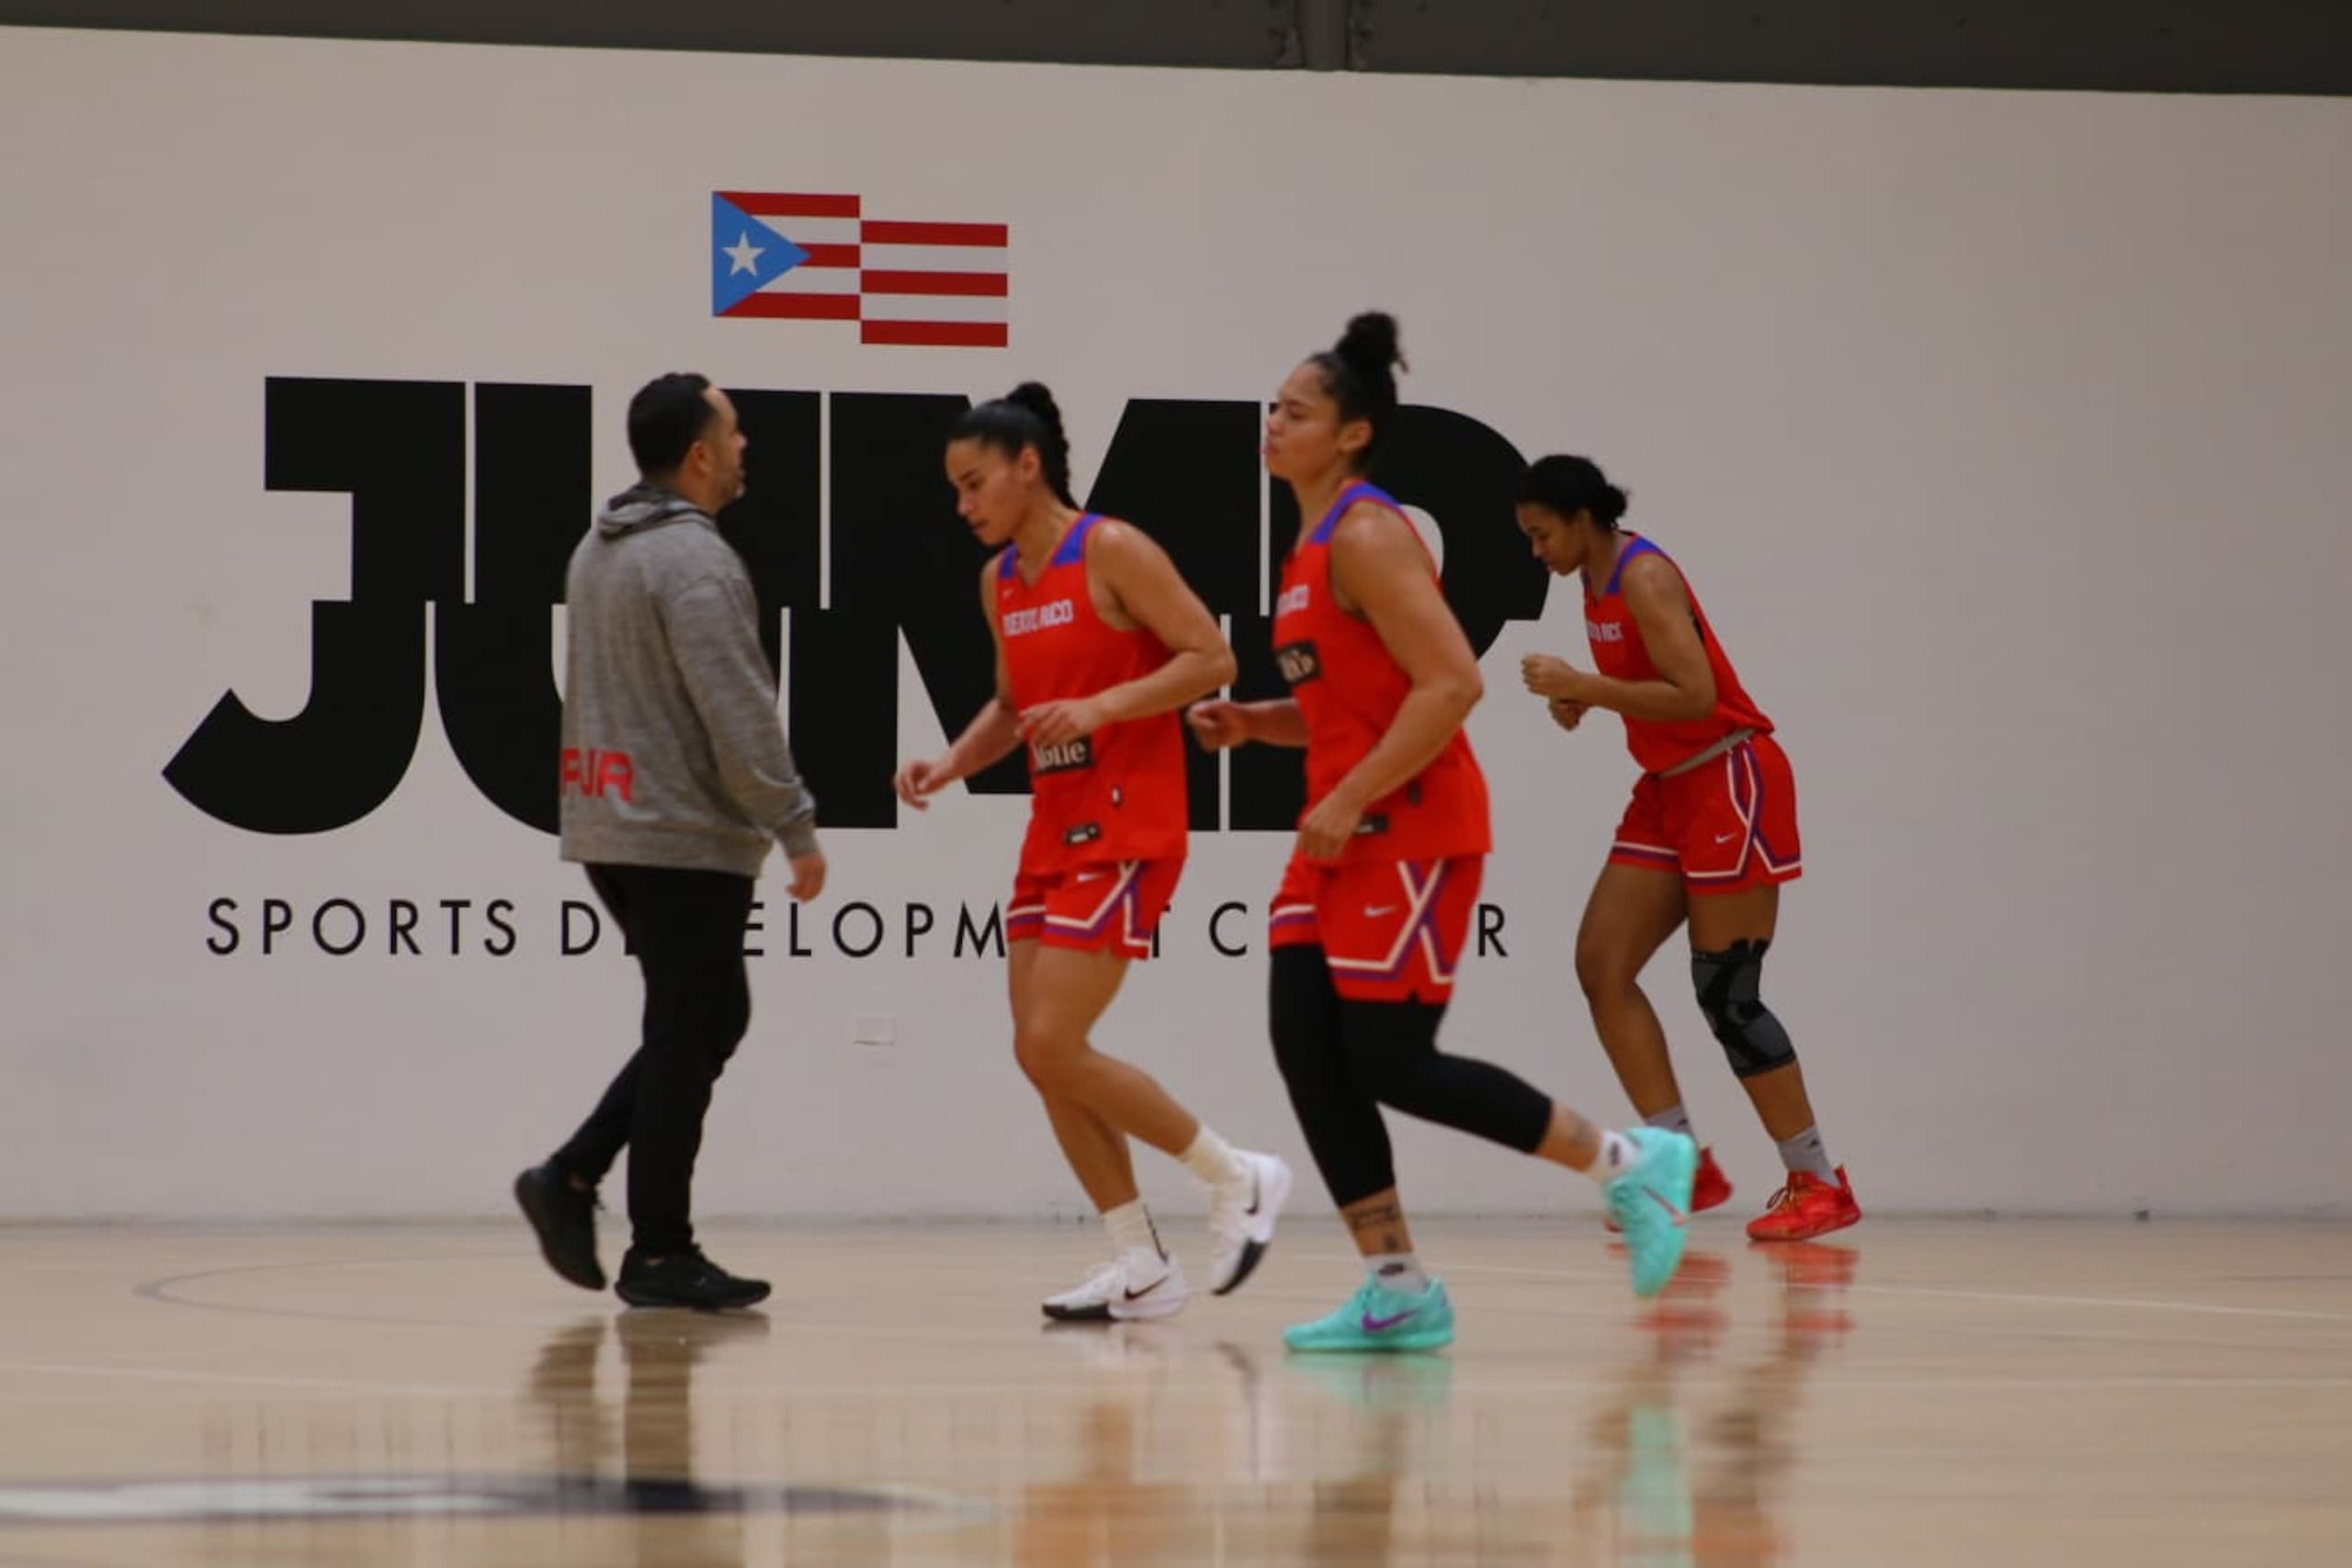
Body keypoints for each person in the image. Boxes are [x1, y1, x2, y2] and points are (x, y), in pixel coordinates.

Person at [1186, 314, 1696, 1354]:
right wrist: (1258, 723)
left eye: (1297, 411)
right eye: (1273, 406)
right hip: (1337, 834)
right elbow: (1352, 706)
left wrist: (1347, 794)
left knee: (1391, 1060)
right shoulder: (1307, 546)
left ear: (1353, 434)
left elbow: (1452, 684)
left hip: (1410, 829)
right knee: (1305, 1045)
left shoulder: (1369, 534)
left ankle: (1628, 1162)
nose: (1273, 421)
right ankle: (1397, 1285)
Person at [893, 382, 1293, 1322]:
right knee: (1041, 1054)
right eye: (955, 488)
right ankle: (1139, 1262)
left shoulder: (1109, 548)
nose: (963, 504)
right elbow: (1011, 706)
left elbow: (1211, 659)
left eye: (974, 482)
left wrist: (1104, 706)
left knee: (1051, 1040)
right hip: (1052, 826)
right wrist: (949, 763)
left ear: (1027, 466)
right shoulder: (1000, 581)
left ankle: (1234, 1174)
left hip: (1126, 823)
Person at [514, 371, 828, 1311]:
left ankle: (574, 1177)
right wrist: (793, 823)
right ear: (698, 453)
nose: (744, 446)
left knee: (700, 1019)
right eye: (733, 432)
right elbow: (738, 709)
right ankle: (655, 1247)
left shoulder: (599, 546)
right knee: (693, 1026)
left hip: (611, 825)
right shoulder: (694, 561)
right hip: (679, 835)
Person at [1515, 455, 1860, 1242]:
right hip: (1668, 787)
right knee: (1602, 966)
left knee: (1727, 992)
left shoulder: (1643, 576)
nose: (1536, 552)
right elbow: (1655, 687)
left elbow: (1698, 695)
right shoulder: (1591, 580)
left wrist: (1587, 686)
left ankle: (1817, 1179)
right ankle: (1679, 1165)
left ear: (1582, 519)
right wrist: (1587, 699)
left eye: (1542, 534)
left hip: (1727, 777)